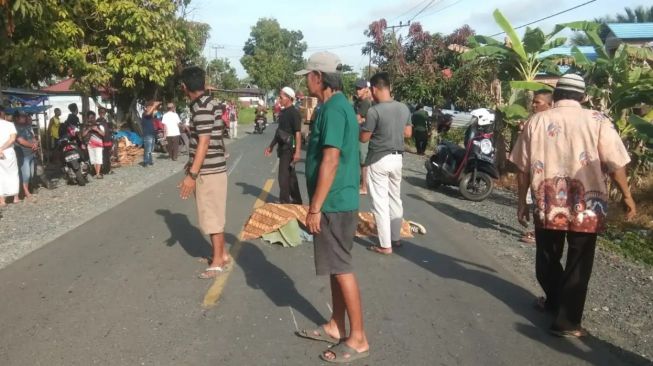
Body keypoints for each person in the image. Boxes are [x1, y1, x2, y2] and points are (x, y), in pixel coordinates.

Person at [510, 74, 637, 338]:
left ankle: (555, 302)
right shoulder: (597, 121)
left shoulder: (537, 121)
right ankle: (566, 322)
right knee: (579, 262)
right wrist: (626, 195)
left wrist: (522, 201)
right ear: (582, 96)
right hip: (588, 205)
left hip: (547, 202)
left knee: (547, 256)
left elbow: (522, 167)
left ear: (556, 96)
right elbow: (616, 163)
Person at [294, 51, 369, 363]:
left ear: (319, 77)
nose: (306, 80)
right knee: (334, 268)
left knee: (341, 268)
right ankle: (337, 325)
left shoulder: (335, 109)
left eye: (308, 75)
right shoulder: (332, 107)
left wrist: (315, 207)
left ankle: (359, 338)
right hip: (334, 201)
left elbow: (331, 158)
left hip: (335, 202)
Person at [178, 66, 231, 279]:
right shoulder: (211, 103)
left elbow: (204, 141)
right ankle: (222, 253)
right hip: (212, 166)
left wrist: (192, 175)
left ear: (184, 87)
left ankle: (218, 260)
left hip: (209, 170)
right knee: (212, 213)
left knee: (211, 216)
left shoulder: (200, 109)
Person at [360, 72, 412, 254]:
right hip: (397, 158)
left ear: (374, 89)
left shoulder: (374, 111)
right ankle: (395, 238)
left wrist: (365, 129)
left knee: (380, 204)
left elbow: (364, 138)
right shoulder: (404, 108)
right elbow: (408, 134)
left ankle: (385, 245)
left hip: (379, 159)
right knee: (395, 199)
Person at [520, 89, 553, 244]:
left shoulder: (547, 121)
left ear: (550, 104)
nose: (533, 105)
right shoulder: (534, 120)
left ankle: (539, 233)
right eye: (533, 101)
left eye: (537, 102)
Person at [264, 87, 303, 204]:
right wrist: (271, 146)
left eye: (281, 97)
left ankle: (284, 202)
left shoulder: (294, 113)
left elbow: (298, 133)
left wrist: (298, 152)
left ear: (289, 98)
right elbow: (279, 132)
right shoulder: (283, 112)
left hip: (289, 150)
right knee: (291, 177)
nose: (279, 99)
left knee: (283, 178)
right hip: (282, 149)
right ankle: (297, 202)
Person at [14, 112, 39, 201]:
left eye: (25, 116)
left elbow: (33, 137)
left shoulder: (27, 126)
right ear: (16, 118)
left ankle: (25, 189)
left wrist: (35, 143)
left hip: (31, 153)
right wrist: (32, 145)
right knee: (26, 174)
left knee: (31, 174)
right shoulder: (14, 128)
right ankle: (26, 191)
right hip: (22, 154)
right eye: (22, 116)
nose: (24, 118)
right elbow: (20, 141)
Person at [353, 79, 373, 195]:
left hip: (363, 135)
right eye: (357, 88)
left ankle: (364, 187)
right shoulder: (358, 102)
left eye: (360, 88)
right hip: (358, 133)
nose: (358, 90)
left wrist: (360, 119)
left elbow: (357, 119)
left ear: (366, 89)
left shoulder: (366, 102)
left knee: (363, 161)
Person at [0, 106, 19, 206]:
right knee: (13, 172)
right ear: (2, 113)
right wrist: (2, 148)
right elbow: (12, 139)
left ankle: (2, 200)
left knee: (0, 175)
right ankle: (15, 197)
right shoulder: (9, 124)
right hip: (8, 151)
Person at [82, 111, 105, 179]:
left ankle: (97, 174)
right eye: (90, 118)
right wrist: (88, 129)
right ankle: (97, 173)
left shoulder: (99, 125)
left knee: (98, 158)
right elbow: (83, 135)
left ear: (95, 117)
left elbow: (103, 134)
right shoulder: (86, 126)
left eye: (93, 117)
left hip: (98, 144)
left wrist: (97, 129)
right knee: (93, 159)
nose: (92, 119)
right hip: (90, 145)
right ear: (88, 118)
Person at [141, 101, 160, 166]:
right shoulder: (144, 114)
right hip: (147, 134)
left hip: (152, 134)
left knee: (151, 150)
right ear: (146, 108)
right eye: (149, 107)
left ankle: (150, 161)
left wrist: (156, 106)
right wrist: (154, 105)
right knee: (147, 149)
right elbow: (149, 113)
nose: (150, 109)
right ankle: (145, 162)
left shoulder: (151, 115)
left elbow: (155, 112)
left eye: (150, 107)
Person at [96, 107, 114, 174]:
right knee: (103, 156)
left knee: (108, 156)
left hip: (108, 140)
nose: (102, 113)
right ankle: (104, 170)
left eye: (103, 112)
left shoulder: (106, 121)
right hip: (101, 141)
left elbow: (109, 130)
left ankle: (109, 169)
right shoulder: (97, 121)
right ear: (98, 113)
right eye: (100, 112)